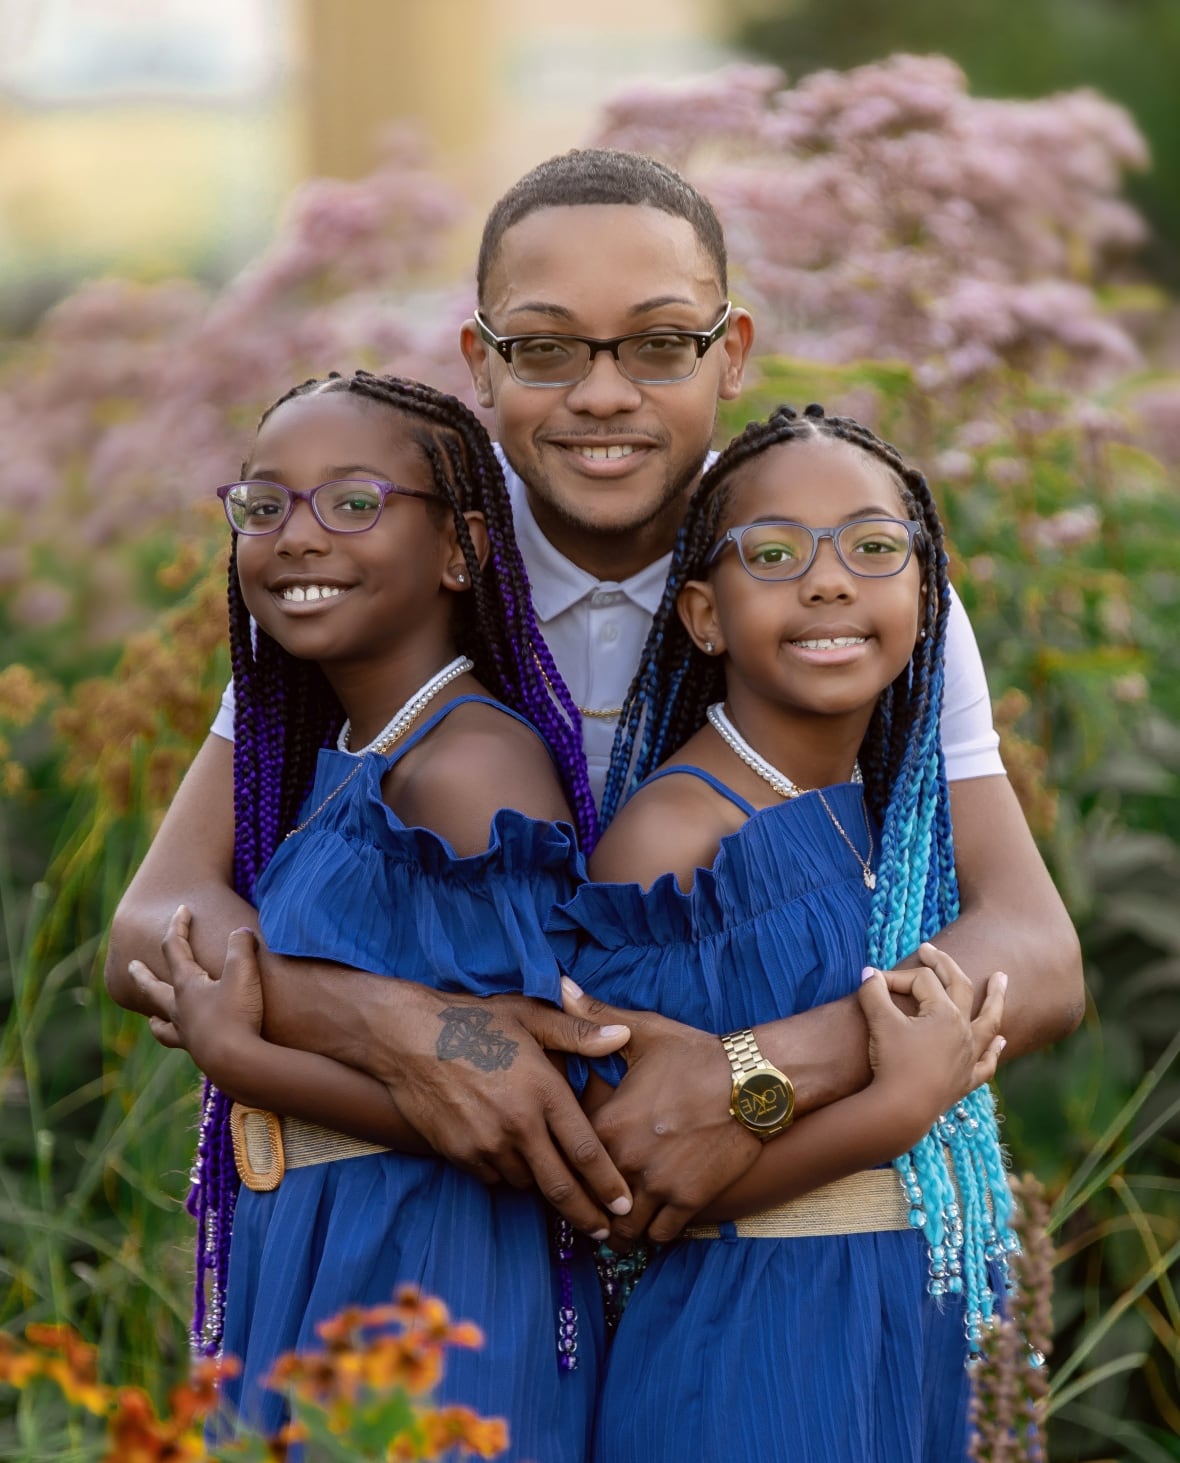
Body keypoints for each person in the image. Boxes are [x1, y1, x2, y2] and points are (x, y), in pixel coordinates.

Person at [106, 148, 1082, 1257]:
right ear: (480, 360)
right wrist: (402, 1028)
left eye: (662, 343)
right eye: (546, 346)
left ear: (732, 354)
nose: (603, 391)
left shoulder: (833, 582)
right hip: (439, 1245)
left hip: (758, 1252)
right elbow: (152, 920)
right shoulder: (408, 558)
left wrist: (747, 1074)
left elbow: (1034, 951)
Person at [137, 369, 621, 1457]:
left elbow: (523, 1111)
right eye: (265, 504)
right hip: (324, 1245)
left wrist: (243, 1051)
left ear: (461, 549)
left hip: (435, 1277)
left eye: (354, 502)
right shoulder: (341, 755)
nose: (297, 536)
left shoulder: (470, 764)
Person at [553, 403, 1014, 1461]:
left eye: (872, 546)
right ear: (705, 616)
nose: (828, 579)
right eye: (775, 552)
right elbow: (630, 1182)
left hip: (925, 1326)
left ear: (923, 593)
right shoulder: (673, 837)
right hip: (757, 1342)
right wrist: (891, 1105)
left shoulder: (907, 814)